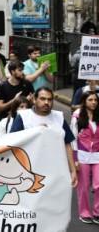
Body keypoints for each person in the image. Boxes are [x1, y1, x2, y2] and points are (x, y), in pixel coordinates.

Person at [10, 87, 78, 188]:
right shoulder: (23, 116)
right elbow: (13, 141)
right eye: (42, 99)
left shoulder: (59, 117)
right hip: (30, 170)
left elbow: (67, 144)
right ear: (34, 99)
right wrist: (36, 132)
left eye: (50, 99)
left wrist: (73, 171)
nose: (46, 102)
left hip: (56, 169)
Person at [71, 92, 99, 223]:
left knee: (98, 185)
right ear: (84, 101)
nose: (94, 102)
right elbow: (73, 139)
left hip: (97, 156)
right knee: (84, 186)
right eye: (90, 100)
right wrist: (75, 159)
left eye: (95, 100)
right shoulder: (77, 115)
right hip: (82, 156)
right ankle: (84, 212)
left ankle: (97, 212)